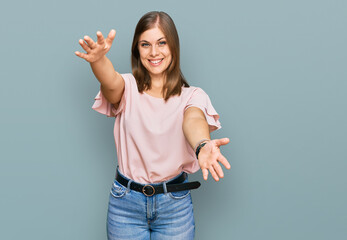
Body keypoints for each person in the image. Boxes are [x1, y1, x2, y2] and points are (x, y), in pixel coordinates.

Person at [75, 10, 231, 240]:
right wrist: (98, 60)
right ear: (137, 50)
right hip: (125, 204)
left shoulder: (192, 96)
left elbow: (194, 120)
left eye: (162, 43)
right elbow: (109, 80)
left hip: (174, 206)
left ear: (173, 47)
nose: (154, 52)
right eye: (145, 44)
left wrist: (202, 144)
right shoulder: (127, 87)